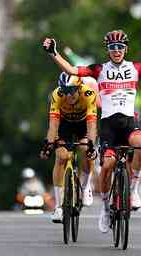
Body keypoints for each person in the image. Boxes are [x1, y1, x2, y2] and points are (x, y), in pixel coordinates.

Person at [42, 30, 141, 232]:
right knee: (107, 165)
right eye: (112, 48)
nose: (116, 51)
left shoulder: (135, 68)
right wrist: (53, 53)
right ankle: (106, 209)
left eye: (120, 47)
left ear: (125, 49)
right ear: (107, 50)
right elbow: (72, 70)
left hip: (129, 123)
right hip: (108, 126)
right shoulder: (99, 69)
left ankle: (133, 191)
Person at [40, 72, 97, 223]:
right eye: (65, 91)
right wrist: (48, 144)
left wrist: (91, 144)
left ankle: (85, 187)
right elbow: (53, 125)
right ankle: (58, 207)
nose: (68, 95)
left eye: (72, 91)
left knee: (86, 149)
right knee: (61, 157)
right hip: (64, 126)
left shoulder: (88, 94)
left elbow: (92, 125)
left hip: (83, 125)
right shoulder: (57, 95)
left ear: (79, 88)